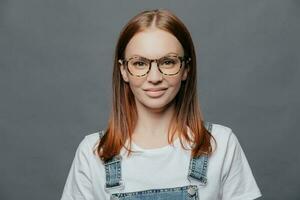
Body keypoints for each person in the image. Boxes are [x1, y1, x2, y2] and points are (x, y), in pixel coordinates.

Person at [60, 9, 262, 200]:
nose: (154, 77)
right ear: (123, 70)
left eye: (168, 62)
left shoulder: (220, 144)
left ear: (185, 69)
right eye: (140, 63)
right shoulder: (93, 152)